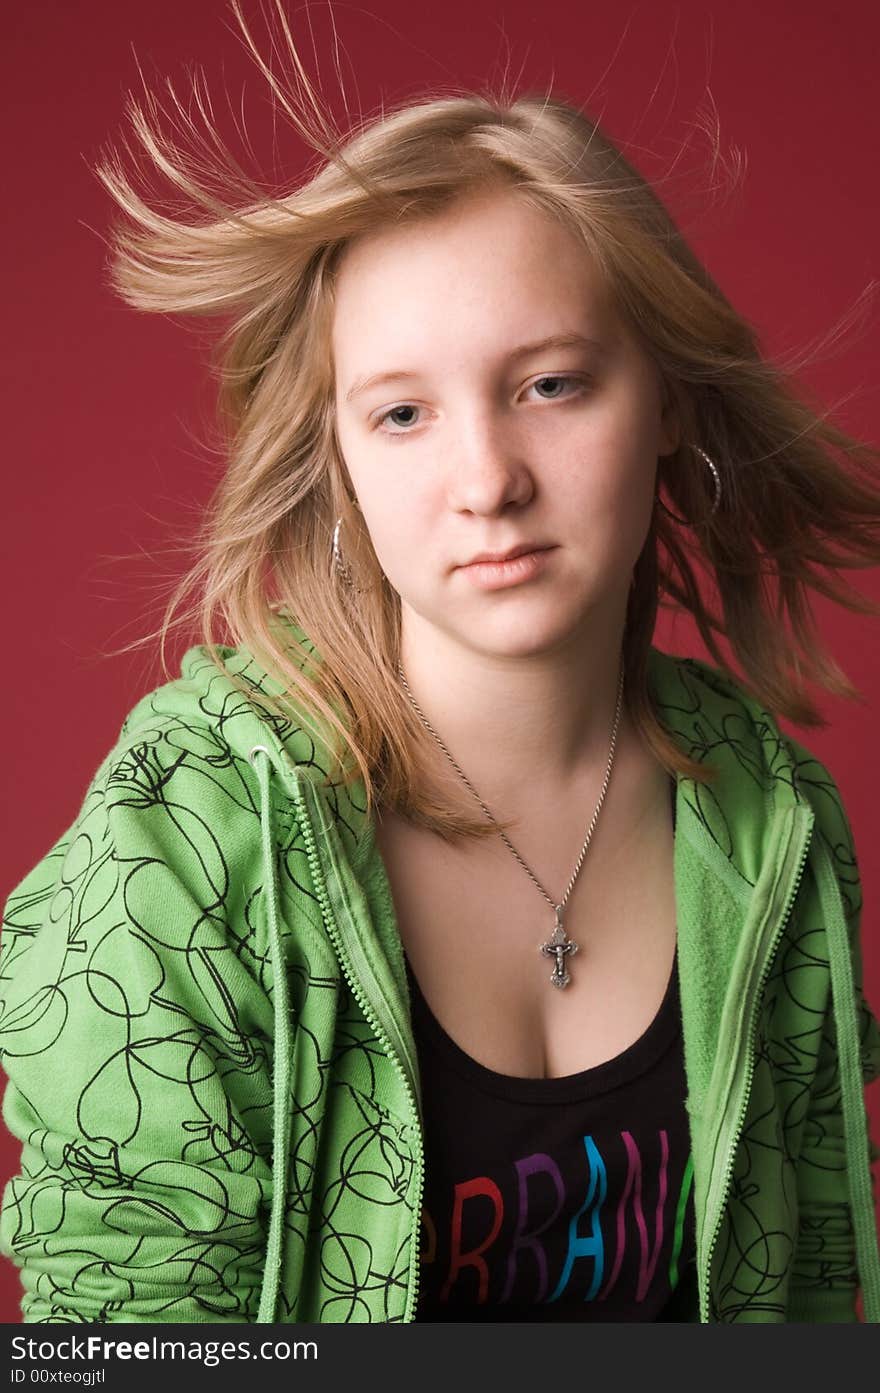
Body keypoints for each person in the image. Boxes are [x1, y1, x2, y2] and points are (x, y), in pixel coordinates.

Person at [2, 25, 880, 1327]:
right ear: (340, 455)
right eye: (403, 411)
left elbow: (813, 1316)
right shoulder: (186, 831)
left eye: (551, 383)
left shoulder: (771, 820)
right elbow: (127, 1347)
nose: (486, 483)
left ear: (670, 402)